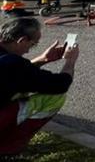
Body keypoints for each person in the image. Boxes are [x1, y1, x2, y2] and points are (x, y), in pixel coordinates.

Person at [0, 17, 79, 156]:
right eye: (32, 45)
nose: (29, 51)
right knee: (54, 98)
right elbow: (60, 84)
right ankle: (8, 146)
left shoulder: (10, 64)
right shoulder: (13, 64)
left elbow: (17, 76)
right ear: (21, 40)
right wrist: (70, 61)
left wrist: (42, 59)